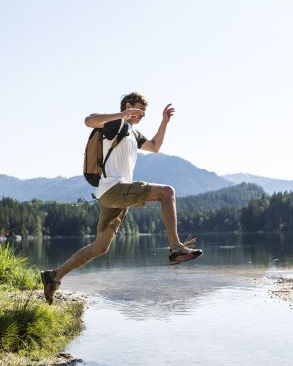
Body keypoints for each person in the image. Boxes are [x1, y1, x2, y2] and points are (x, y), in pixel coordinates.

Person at [41, 92, 203, 304]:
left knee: (100, 247)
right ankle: (176, 249)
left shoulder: (133, 134)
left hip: (112, 195)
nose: (143, 114)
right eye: (139, 110)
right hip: (115, 189)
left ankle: (54, 276)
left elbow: (155, 146)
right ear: (128, 105)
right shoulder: (115, 124)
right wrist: (122, 114)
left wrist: (164, 121)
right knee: (167, 192)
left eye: (145, 112)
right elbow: (88, 120)